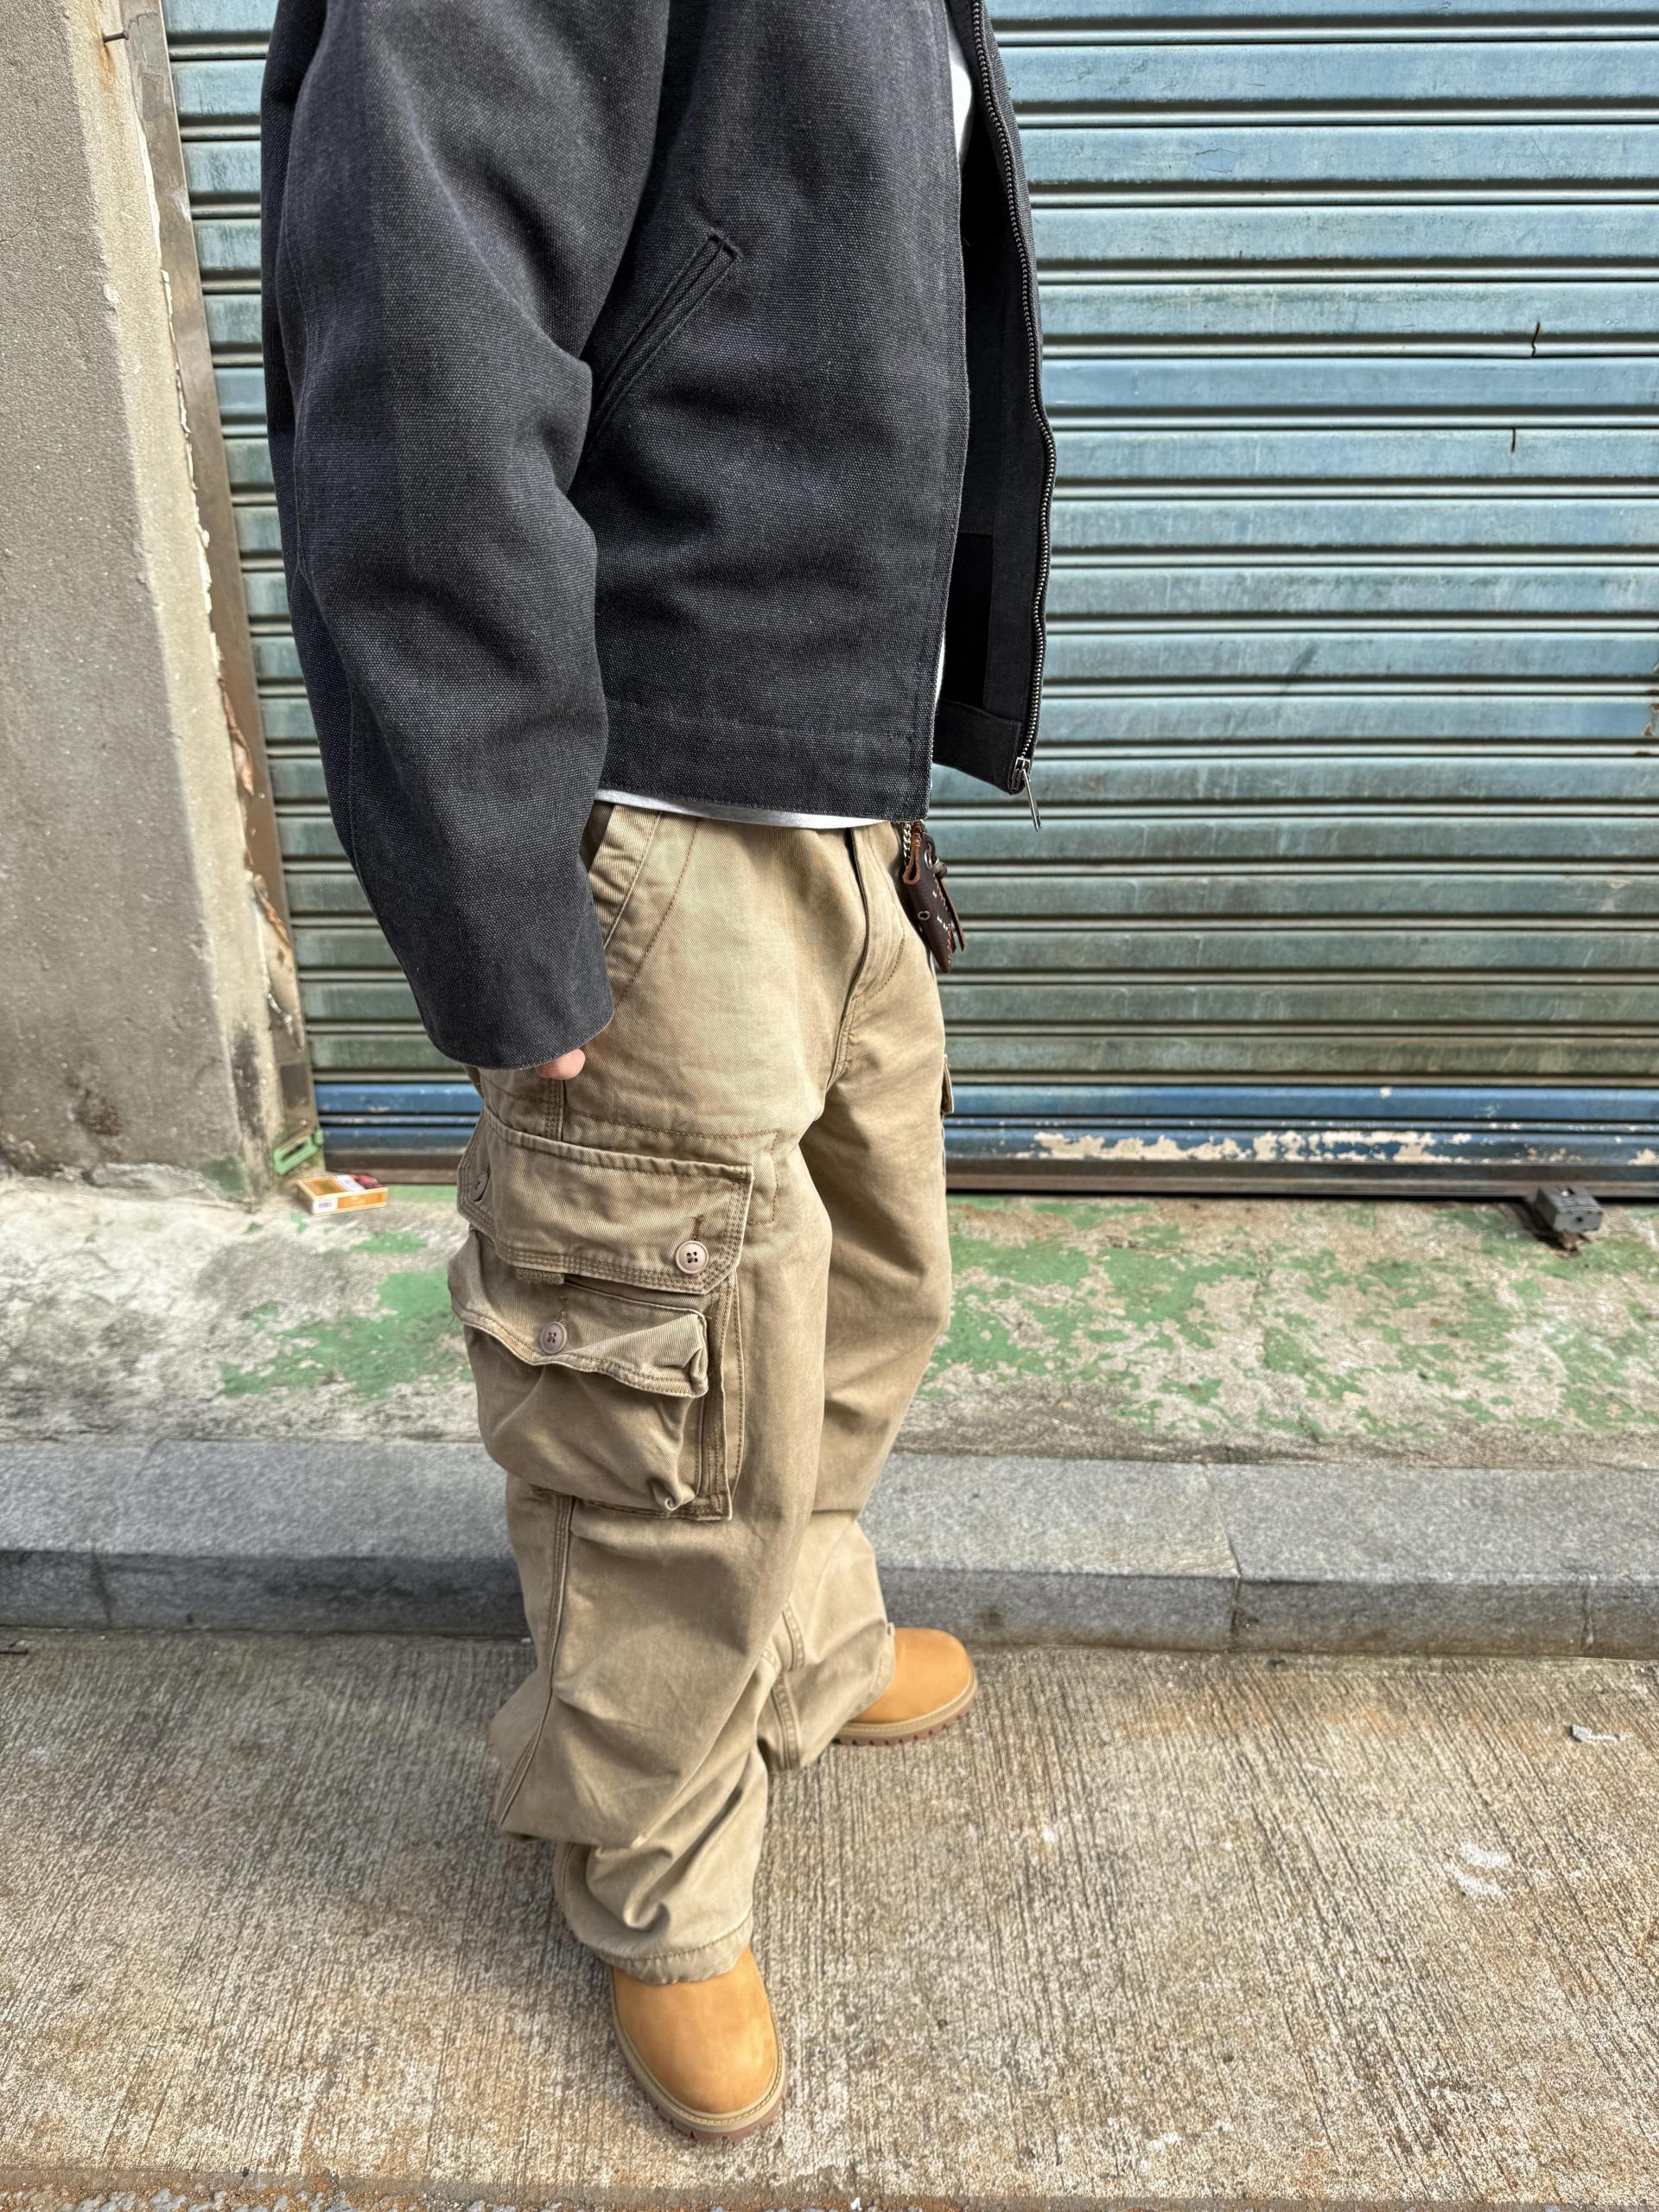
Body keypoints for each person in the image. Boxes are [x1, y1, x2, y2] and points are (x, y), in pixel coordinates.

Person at [261, 0, 1053, 2143]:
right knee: (658, 1401)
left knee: (860, 1287)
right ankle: (655, 1873)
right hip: (657, 785)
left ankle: (800, 1640)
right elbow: (420, 355)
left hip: (835, 755)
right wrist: (495, 884)